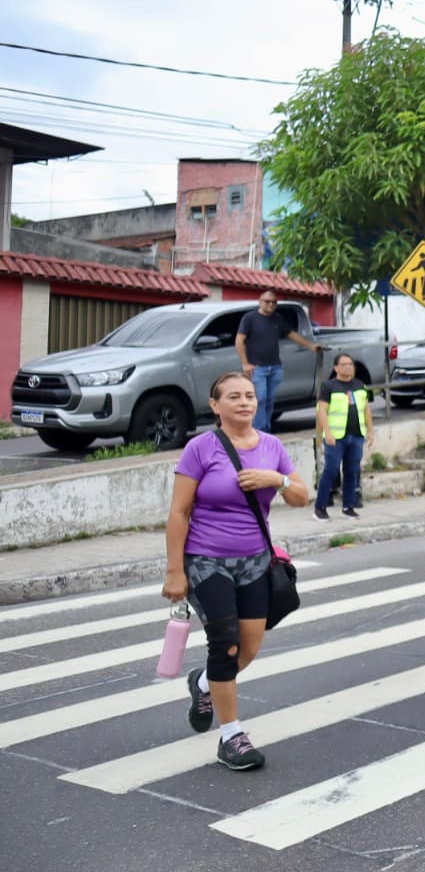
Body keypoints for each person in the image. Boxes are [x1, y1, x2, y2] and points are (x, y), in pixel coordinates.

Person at [161, 372, 309, 771]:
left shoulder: (272, 447)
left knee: (250, 647)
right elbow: (178, 512)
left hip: (255, 561)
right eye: (233, 396)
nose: (244, 402)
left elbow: (300, 495)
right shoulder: (200, 448)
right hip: (206, 560)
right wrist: (176, 571)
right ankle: (232, 737)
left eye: (249, 395)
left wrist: (274, 479)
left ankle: (204, 683)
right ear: (215, 405)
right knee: (224, 644)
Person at [234, 292, 322, 432]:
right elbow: (239, 340)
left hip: (275, 366)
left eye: (274, 302)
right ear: (260, 301)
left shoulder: (277, 319)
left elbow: (291, 334)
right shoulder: (249, 318)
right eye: (267, 301)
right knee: (260, 398)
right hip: (257, 367)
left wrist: (310, 345)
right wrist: (245, 363)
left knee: (269, 400)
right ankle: (259, 430)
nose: (270, 304)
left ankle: (266, 426)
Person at [314, 353, 372, 521]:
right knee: (331, 471)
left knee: (352, 471)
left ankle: (348, 506)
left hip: (356, 436)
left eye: (351, 364)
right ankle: (320, 507)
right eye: (344, 364)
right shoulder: (328, 386)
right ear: (336, 368)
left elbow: (366, 410)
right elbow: (322, 411)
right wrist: (327, 432)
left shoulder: (360, 386)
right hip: (336, 437)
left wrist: (370, 431)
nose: (349, 367)